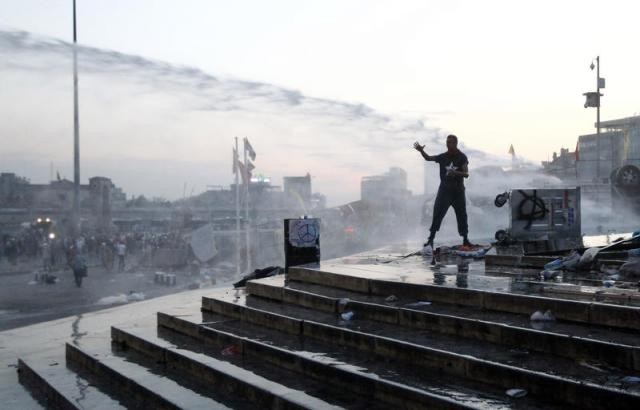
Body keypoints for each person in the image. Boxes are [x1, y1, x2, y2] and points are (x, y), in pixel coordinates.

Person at [413, 134, 471, 248]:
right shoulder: (443, 157)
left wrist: (456, 173)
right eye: (447, 142)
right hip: (444, 191)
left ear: (455, 143)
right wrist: (421, 151)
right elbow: (428, 158)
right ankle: (431, 239)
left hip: (458, 192)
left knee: (462, 216)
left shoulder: (462, 157)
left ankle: (465, 239)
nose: (447, 144)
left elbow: (466, 174)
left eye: (450, 142)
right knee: (437, 214)